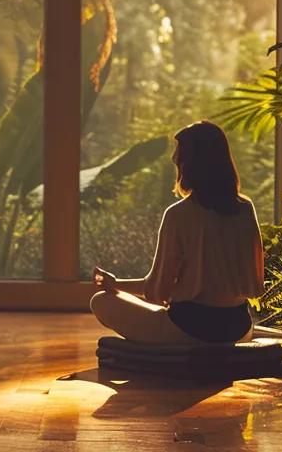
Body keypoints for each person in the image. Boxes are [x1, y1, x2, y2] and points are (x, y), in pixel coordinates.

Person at [90, 120, 264, 344]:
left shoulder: (178, 214)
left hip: (188, 331)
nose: (173, 159)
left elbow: (157, 291)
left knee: (101, 301)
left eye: (178, 153)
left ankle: (173, 351)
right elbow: (254, 284)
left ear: (191, 162)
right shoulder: (245, 209)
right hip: (239, 328)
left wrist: (114, 286)